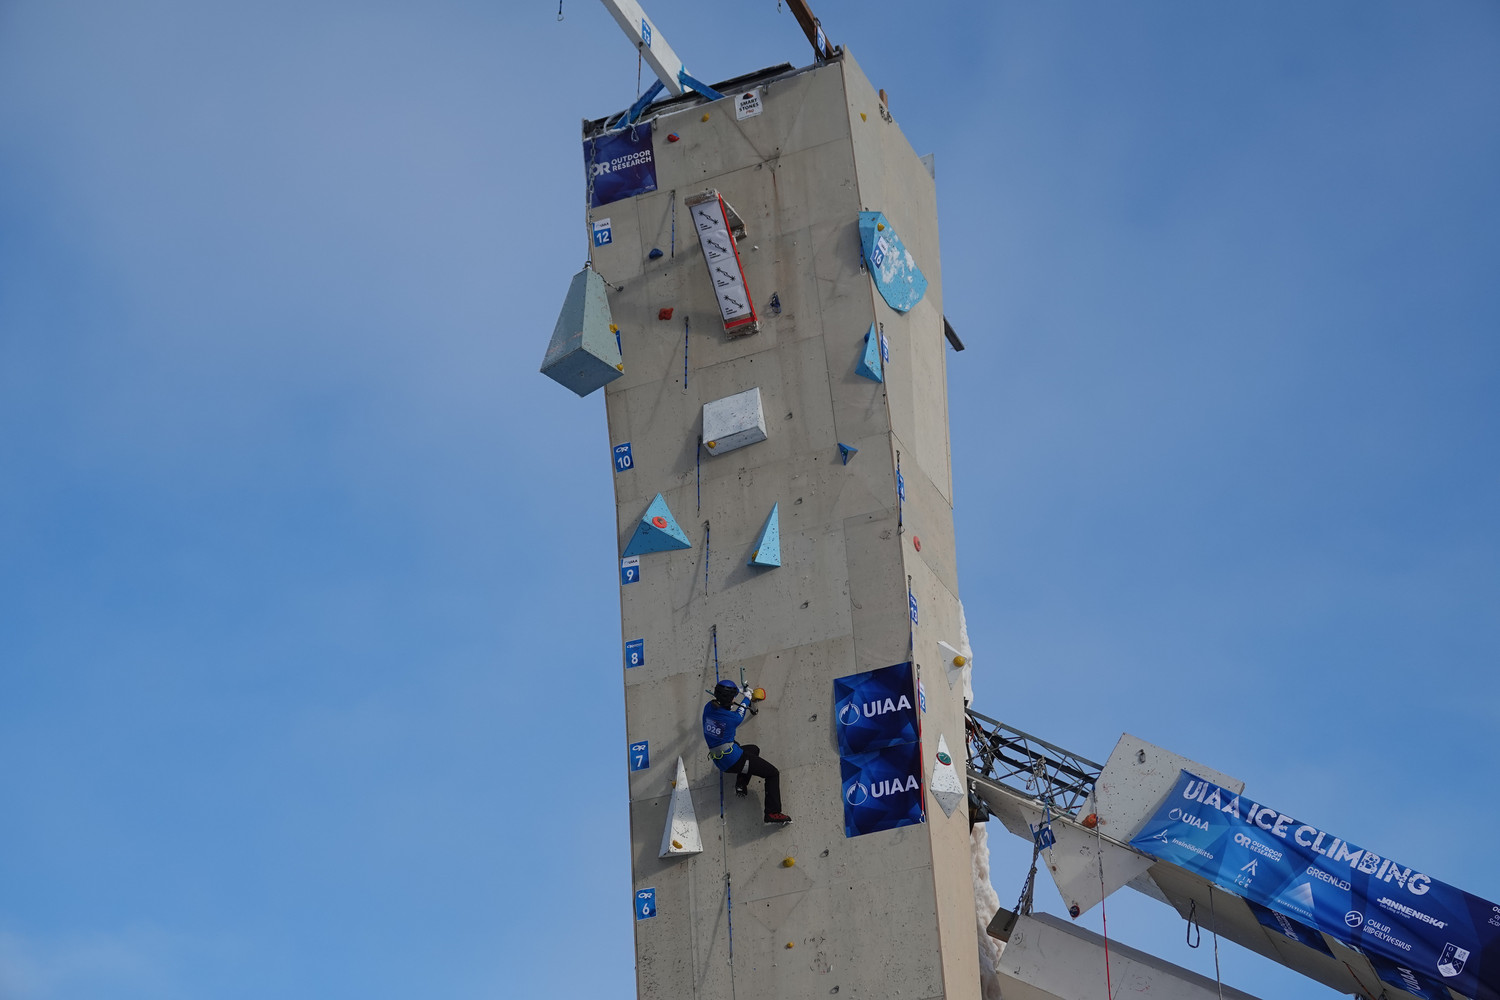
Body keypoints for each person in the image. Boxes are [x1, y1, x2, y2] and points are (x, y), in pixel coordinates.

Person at [702, 680, 790, 824]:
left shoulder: (708, 708)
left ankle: (741, 784)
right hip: (734, 760)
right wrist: (747, 696)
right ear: (729, 699)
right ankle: (772, 813)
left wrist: (738, 690)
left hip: (719, 759)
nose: (734, 699)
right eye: (733, 697)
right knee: (772, 774)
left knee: (753, 749)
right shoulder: (733, 719)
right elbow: (741, 710)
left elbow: (728, 702)